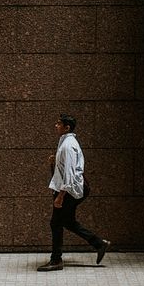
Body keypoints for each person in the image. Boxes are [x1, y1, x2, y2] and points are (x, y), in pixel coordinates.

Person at [37, 113, 111, 271]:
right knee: (67, 221)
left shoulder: (68, 145)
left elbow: (70, 173)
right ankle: (99, 244)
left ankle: (56, 260)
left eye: (59, 123)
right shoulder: (65, 142)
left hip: (70, 190)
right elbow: (65, 169)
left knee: (56, 222)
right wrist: (55, 161)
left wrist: (61, 196)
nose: (56, 126)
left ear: (67, 127)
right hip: (69, 188)